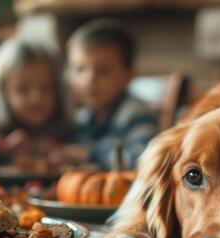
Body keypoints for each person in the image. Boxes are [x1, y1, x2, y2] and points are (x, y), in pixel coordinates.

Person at [65, 19, 159, 171]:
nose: (89, 80)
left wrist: (89, 154)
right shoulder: (84, 118)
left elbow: (144, 159)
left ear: (129, 76)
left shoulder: (135, 113)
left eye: (103, 71)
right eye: (79, 69)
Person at [0, 38, 67, 167]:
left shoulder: (68, 131)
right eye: (23, 89)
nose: (36, 98)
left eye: (46, 88)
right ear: (2, 92)